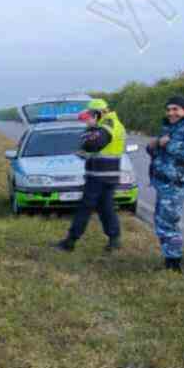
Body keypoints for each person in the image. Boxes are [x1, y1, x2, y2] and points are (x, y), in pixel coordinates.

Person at [52, 96, 127, 254]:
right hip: (108, 174)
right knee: (106, 208)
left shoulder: (108, 124)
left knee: (85, 207)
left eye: (90, 116)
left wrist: (88, 134)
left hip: (99, 175)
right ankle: (114, 239)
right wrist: (86, 149)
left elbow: (93, 144)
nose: (88, 119)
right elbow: (99, 149)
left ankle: (70, 242)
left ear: (98, 113)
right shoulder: (112, 123)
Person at [145, 94, 184, 272]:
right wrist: (155, 145)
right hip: (164, 182)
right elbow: (159, 149)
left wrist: (168, 144)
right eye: (168, 109)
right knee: (162, 221)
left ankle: (174, 264)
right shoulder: (170, 126)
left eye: (175, 109)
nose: (171, 113)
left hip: (178, 183)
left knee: (168, 222)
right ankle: (169, 258)